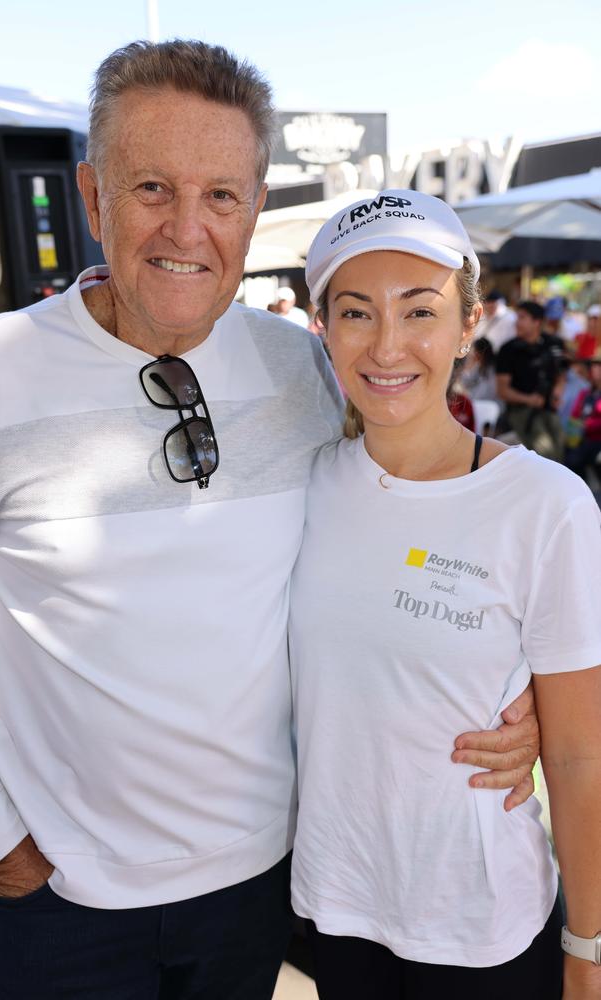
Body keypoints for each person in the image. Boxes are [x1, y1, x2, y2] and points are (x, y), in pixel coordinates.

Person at [0, 43, 537, 1000]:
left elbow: (429, 523)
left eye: (222, 195)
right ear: (93, 198)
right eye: (152, 187)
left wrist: (524, 702)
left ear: (254, 209)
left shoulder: (303, 367)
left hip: (268, 883)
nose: (189, 227)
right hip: (64, 902)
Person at [289, 189, 601, 999]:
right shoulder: (301, 485)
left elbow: (576, 754)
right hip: (336, 911)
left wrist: (589, 948)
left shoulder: (548, 504)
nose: (388, 346)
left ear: (469, 324)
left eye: (419, 311)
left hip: (483, 930)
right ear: (321, 326)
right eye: (356, 313)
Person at [496, 300, 567, 460]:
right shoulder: (508, 349)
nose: (517, 323)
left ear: (537, 322)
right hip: (521, 412)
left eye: (522, 318)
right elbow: (502, 390)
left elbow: (561, 373)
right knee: (546, 453)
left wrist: (558, 389)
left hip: (549, 409)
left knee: (561, 447)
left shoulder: (553, 343)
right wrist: (529, 399)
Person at [565, 351, 601, 482]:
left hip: (598, 442)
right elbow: (575, 415)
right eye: (594, 365)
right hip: (583, 441)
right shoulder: (586, 392)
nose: (596, 369)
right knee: (571, 462)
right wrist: (572, 439)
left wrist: (587, 425)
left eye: (599, 365)